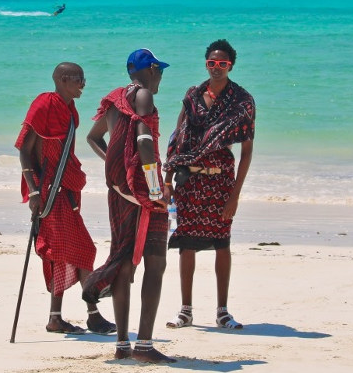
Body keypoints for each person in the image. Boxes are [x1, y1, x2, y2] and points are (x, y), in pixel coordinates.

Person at [82, 49, 176, 364]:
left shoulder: (113, 101)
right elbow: (145, 143)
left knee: (123, 261)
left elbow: (93, 138)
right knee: (155, 263)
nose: (161, 75)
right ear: (150, 70)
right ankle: (145, 346)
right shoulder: (145, 95)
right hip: (142, 192)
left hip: (118, 191)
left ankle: (123, 345)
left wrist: (116, 164)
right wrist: (154, 190)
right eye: (159, 70)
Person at [16, 62, 115, 336]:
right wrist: (34, 191)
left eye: (84, 78)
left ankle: (55, 318)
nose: (83, 84)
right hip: (49, 192)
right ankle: (93, 314)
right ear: (62, 79)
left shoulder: (70, 109)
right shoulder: (43, 104)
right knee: (83, 249)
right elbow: (25, 150)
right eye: (79, 79)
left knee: (63, 253)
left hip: (66, 190)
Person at [163, 39, 255, 331]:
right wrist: (166, 180)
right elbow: (176, 138)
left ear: (231, 66)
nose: (217, 68)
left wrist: (235, 196)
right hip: (189, 180)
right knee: (186, 245)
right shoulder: (192, 95)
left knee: (222, 244)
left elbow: (247, 151)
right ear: (206, 64)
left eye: (223, 64)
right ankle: (186, 311)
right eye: (212, 63)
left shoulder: (242, 101)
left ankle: (223, 312)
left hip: (221, 181)